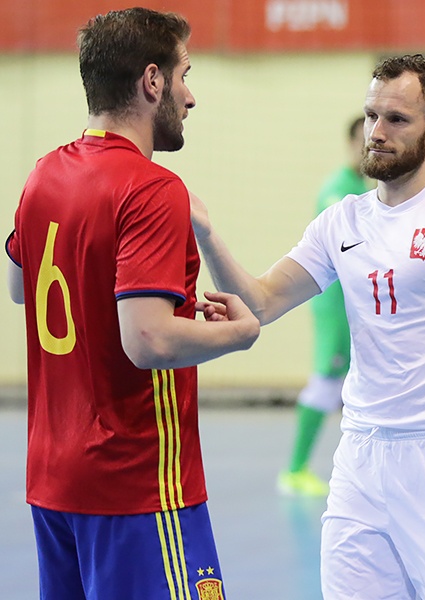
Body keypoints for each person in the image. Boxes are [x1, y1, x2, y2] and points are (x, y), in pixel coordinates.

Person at [190, 54, 425, 599]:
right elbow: (263, 298)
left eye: (397, 120)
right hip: (361, 457)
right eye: (372, 116)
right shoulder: (341, 220)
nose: (377, 132)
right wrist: (205, 232)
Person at [5, 8, 260, 599]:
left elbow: (22, 290)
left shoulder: (44, 173)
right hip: (138, 486)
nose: (190, 96)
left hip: (53, 483)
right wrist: (240, 334)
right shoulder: (151, 187)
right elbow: (149, 340)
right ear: (152, 82)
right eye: (185, 74)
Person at [278, 115, 369, 497]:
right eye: (365, 140)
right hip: (335, 306)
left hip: (353, 307)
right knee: (326, 382)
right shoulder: (338, 191)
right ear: (352, 143)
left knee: (345, 385)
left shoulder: (362, 188)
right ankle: (295, 469)